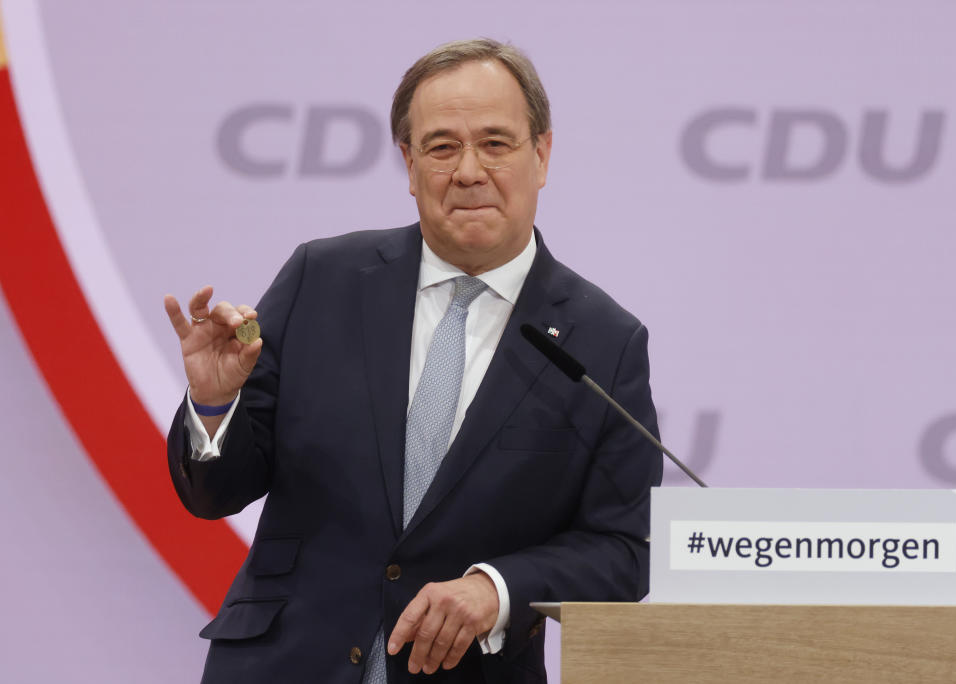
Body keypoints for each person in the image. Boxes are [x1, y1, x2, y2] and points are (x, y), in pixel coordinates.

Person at [164, 38, 662, 684]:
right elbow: (214, 494)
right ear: (408, 162)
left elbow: (625, 547)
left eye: (496, 143)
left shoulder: (602, 341)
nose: (469, 171)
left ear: (541, 154)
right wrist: (213, 405)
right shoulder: (322, 279)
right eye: (442, 147)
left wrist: (497, 588)